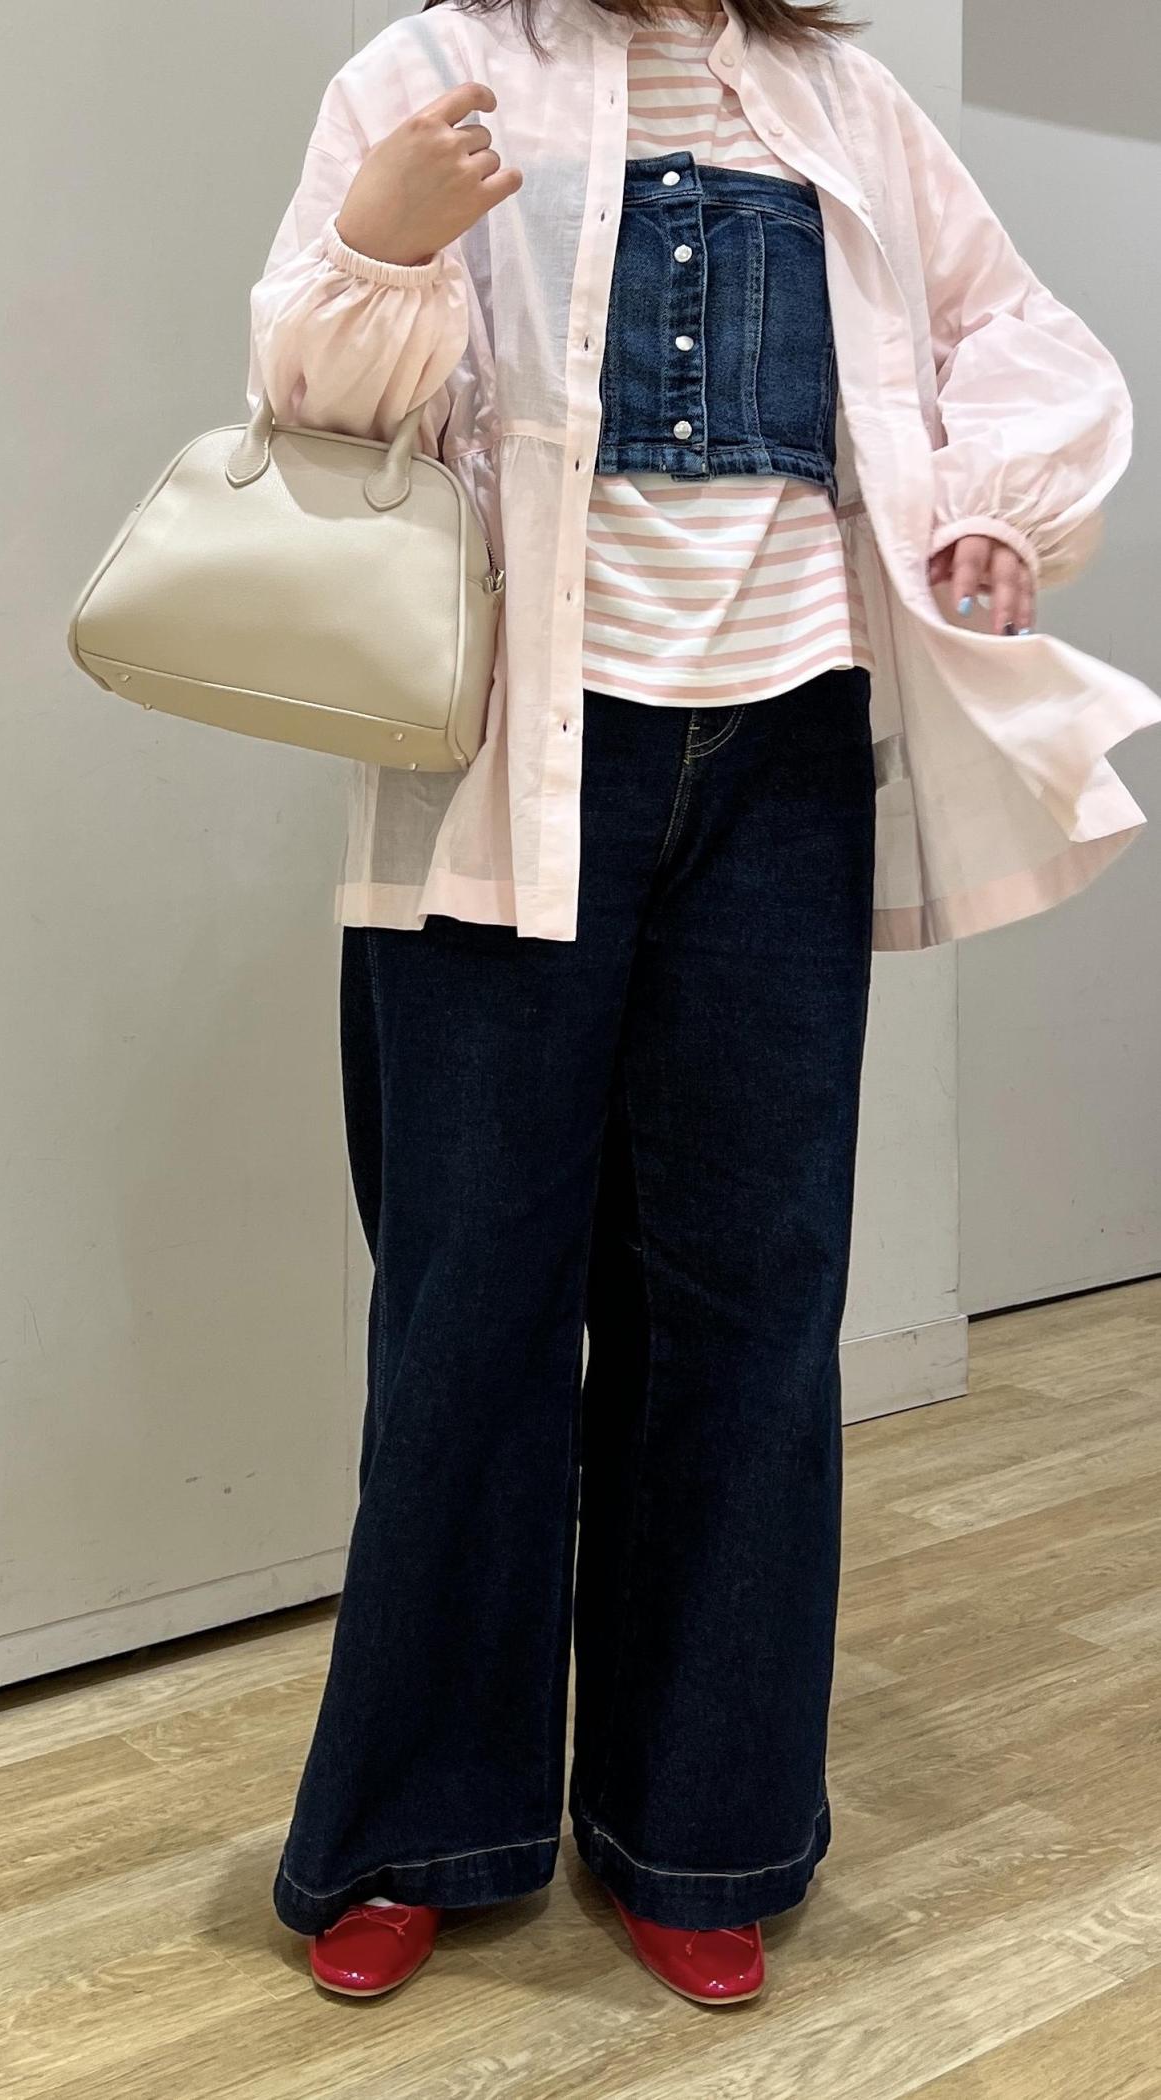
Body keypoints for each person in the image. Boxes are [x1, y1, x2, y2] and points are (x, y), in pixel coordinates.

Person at [243, 0, 1160, 2006]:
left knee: (747, 1305)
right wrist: (388, 242)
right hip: (505, 755)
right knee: (469, 1306)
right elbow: (310, 407)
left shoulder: (842, 99)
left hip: (787, 763)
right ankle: (417, 1821)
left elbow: (1020, 335)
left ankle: (704, 1821)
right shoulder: (430, 70)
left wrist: (989, 502)